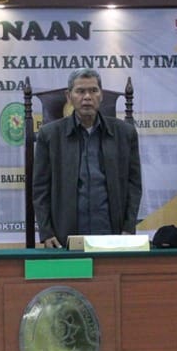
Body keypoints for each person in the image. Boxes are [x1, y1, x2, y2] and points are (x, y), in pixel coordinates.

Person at [32, 68, 142, 248]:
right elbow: (40, 189)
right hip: (64, 238)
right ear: (69, 96)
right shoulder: (50, 135)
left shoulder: (125, 133)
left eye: (93, 90)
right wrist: (46, 232)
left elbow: (134, 185)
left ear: (101, 95)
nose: (87, 97)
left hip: (113, 234)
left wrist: (129, 228)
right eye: (80, 91)